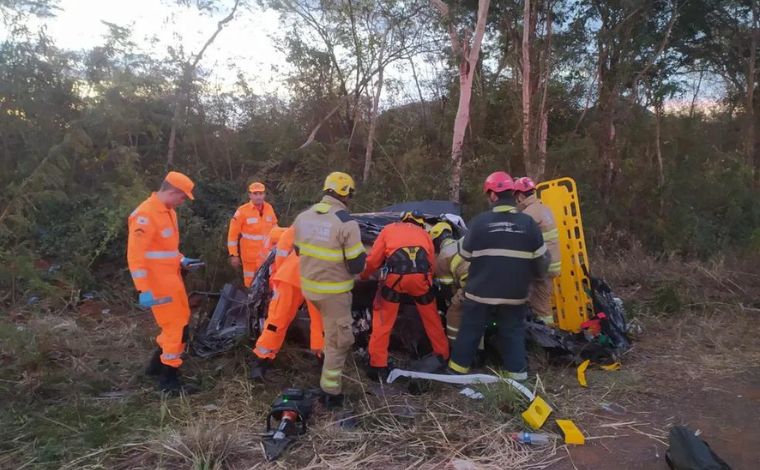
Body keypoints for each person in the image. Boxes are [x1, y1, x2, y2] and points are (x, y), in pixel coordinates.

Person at [447, 171, 550, 381]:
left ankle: (457, 371)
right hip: (515, 293)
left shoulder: (480, 222)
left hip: (480, 291)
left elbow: (464, 254)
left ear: (493, 196)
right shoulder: (528, 223)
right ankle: (518, 376)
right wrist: (534, 279)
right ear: (513, 193)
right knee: (513, 331)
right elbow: (542, 261)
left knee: (471, 328)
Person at [293, 172, 366, 408]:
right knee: (339, 341)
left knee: (329, 331)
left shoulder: (303, 217)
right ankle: (331, 393)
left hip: (310, 289)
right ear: (346, 194)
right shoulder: (346, 222)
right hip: (334, 293)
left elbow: (298, 250)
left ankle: (324, 363)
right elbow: (357, 264)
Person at [127, 171, 202, 394]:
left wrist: (182, 260)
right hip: (157, 285)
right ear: (171, 192)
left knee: (181, 322)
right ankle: (169, 381)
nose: (182, 202)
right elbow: (136, 257)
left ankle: (154, 367)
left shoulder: (168, 212)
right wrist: (143, 289)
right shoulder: (145, 215)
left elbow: (164, 250)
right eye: (182, 197)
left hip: (172, 280)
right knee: (176, 328)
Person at [361, 211, 449, 379]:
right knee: (432, 320)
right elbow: (431, 265)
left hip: (395, 281)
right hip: (420, 281)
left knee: (383, 321)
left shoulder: (388, 229)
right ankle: (442, 356)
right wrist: (426, 282)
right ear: (420, 223)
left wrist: (365, 276)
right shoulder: (424, 234)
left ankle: (377, 364)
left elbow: (373, 261)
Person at [249, 226, 325, 381]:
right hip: (310, 278)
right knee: (320, 324)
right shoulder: (344, 228)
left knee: (277, 320)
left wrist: (280, 270)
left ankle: (261, 362)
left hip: (294, 274)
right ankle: (324, 363)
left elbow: (284, 247)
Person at [513, 177, 562, 325]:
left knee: (538, 306)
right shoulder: (544, 208)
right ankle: (546, 333)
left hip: (541, 267)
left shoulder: (528, 214)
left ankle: (544, 339)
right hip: (552, 264)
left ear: (520, 195)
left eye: (516, 197)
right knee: (543, 302)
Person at [227, 182, 278, 287]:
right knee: (250, 285)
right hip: (250, 258)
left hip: (267, 257)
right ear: (250, 195)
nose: (258, 196)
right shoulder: (242, 211)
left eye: (261, 193)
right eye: (255, 194)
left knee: (268, 285)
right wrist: (233, 255)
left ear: (264, 195)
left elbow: (275, 229)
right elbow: (232, 235)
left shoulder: (269, 208)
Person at [428, 222, 470, 346]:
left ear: (435, 241)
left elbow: (447, 289)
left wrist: (449, 302)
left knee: (454, 312)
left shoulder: (443, 256)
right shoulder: (462, 241)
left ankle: (456, 348)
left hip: (472, 285)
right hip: (493, 279)